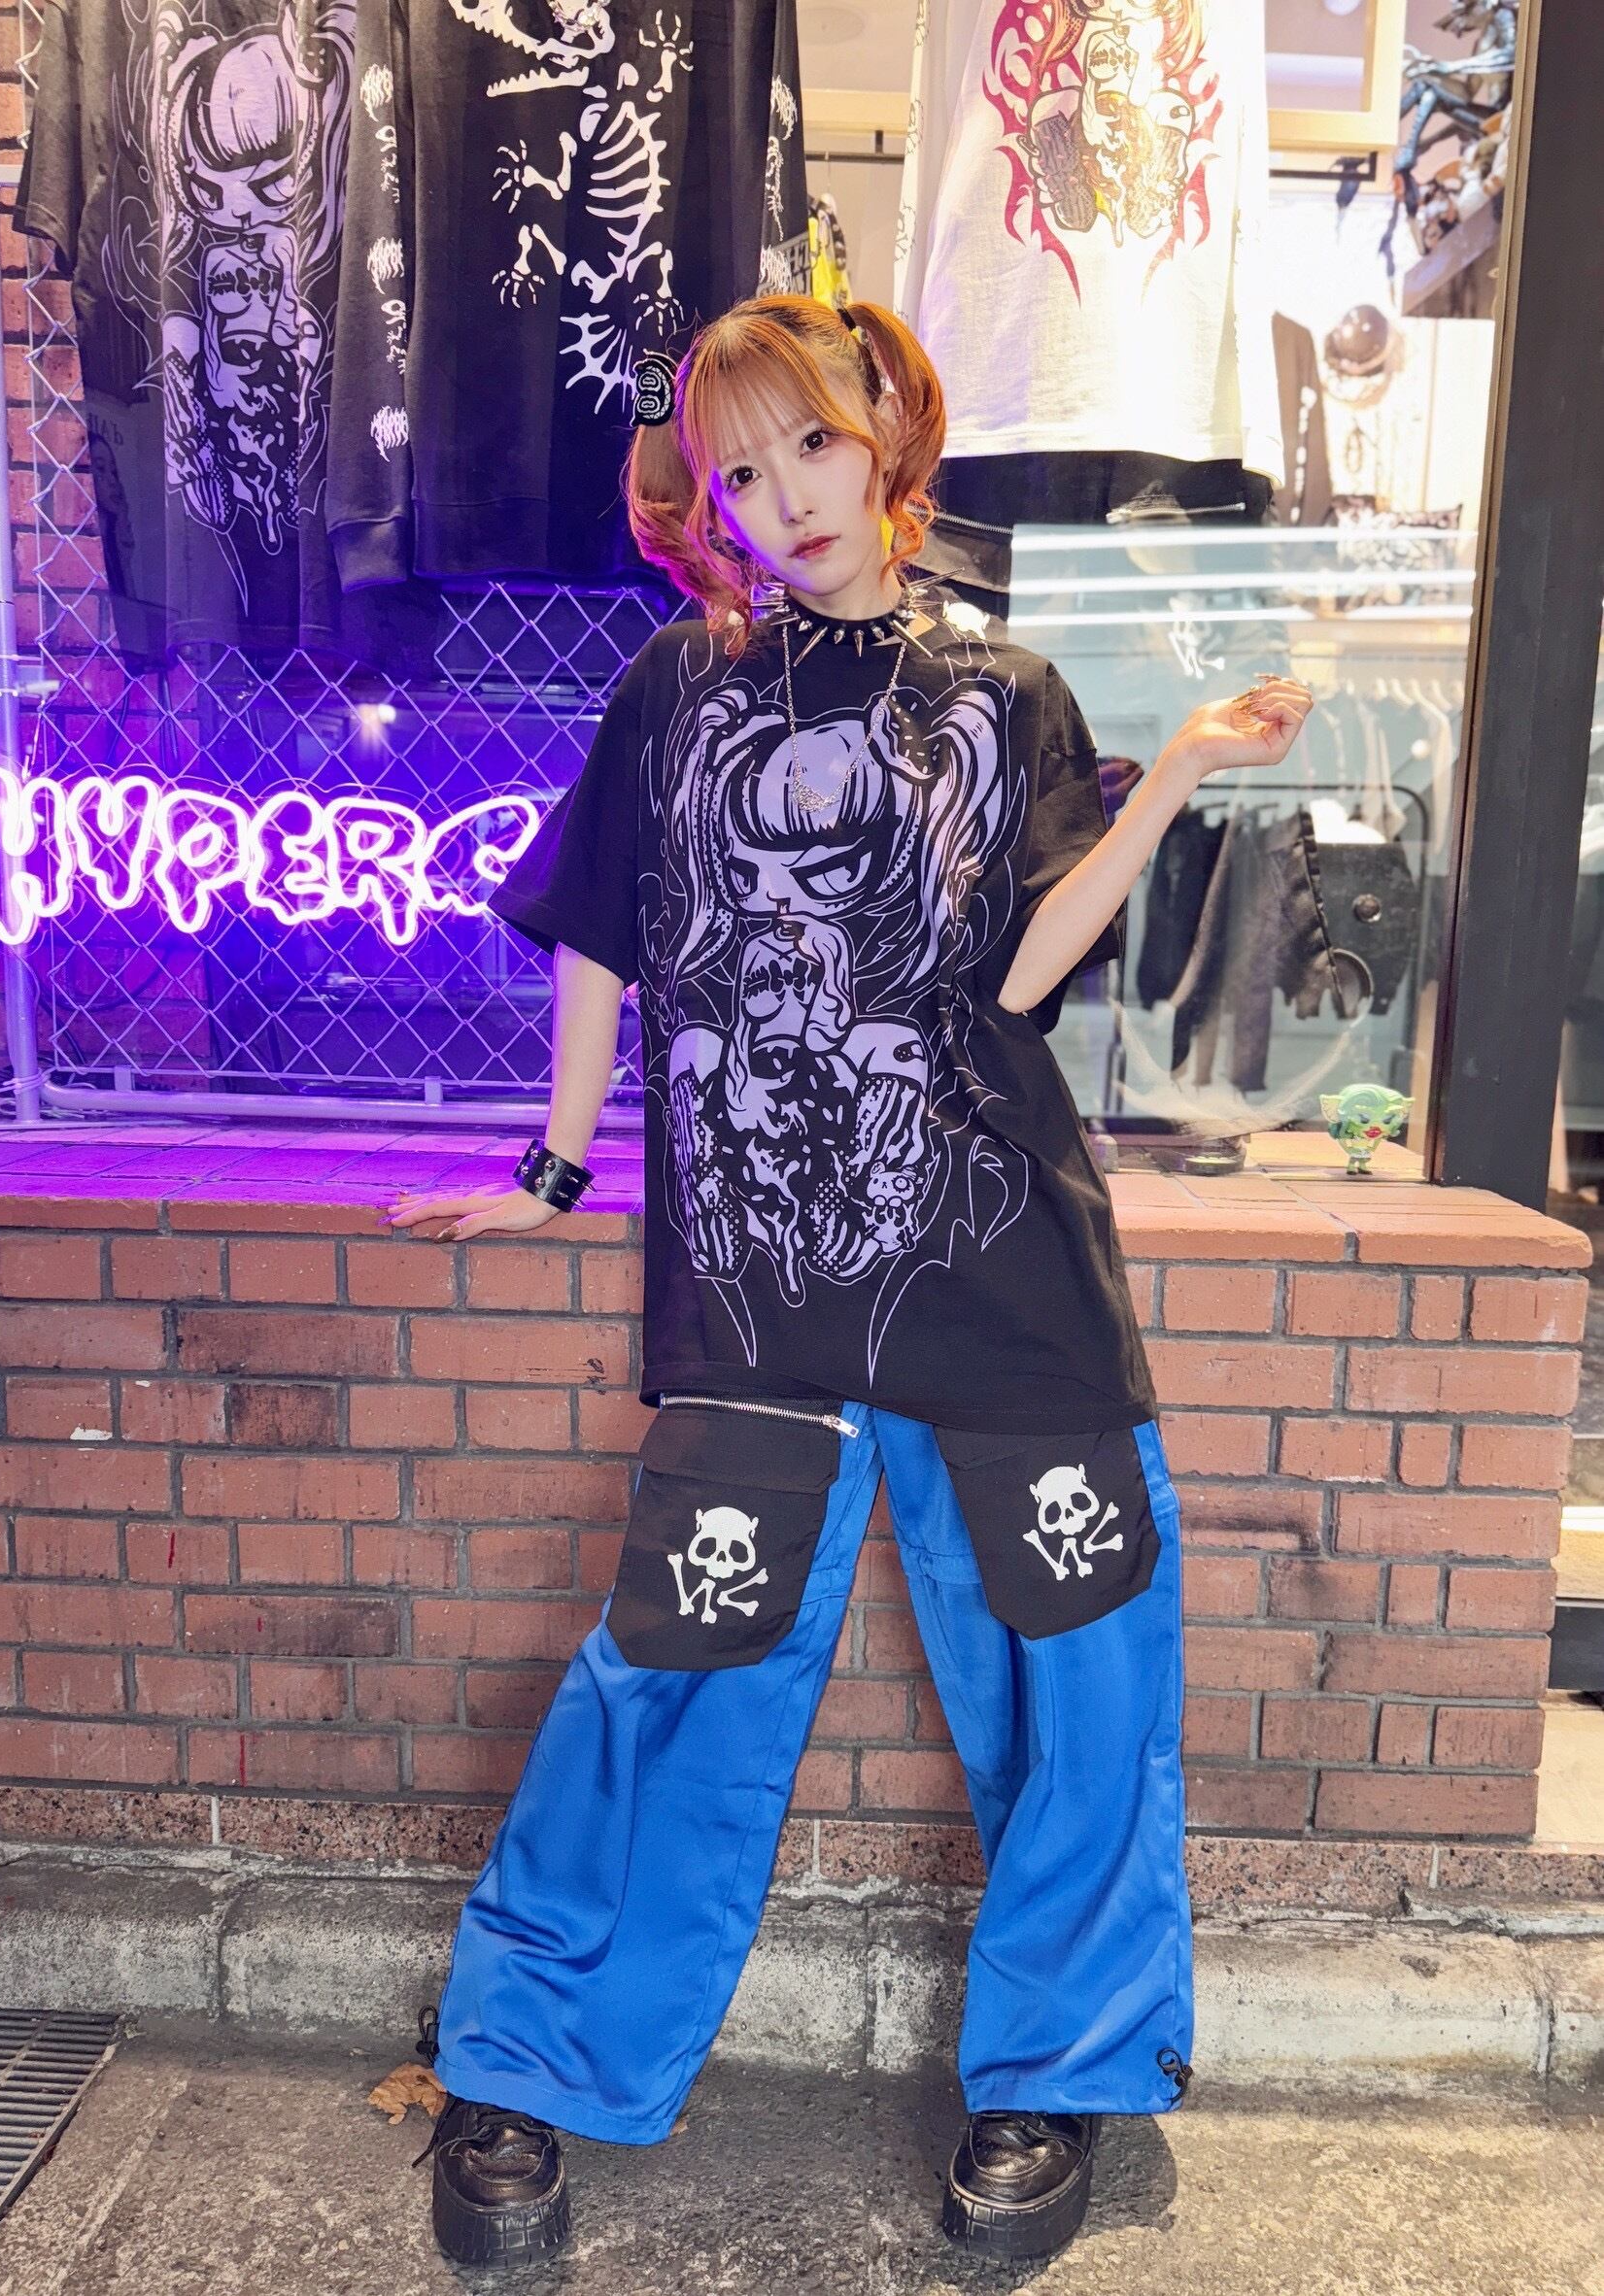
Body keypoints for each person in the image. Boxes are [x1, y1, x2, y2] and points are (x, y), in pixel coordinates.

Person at [386, 293, 1313, 2270]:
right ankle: (530, 2057)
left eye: (810, 440)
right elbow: (598, 932)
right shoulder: (679, 688)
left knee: (1081, 1673)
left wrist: (1173, 773)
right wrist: (552, 1166)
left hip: (1002, 1274)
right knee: (672, 1674)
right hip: (755, 1284)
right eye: (739, 470)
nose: (783, 496)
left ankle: (1056, 2074)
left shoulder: (1005, 692)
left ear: (887, 421)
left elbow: (1022, 974)